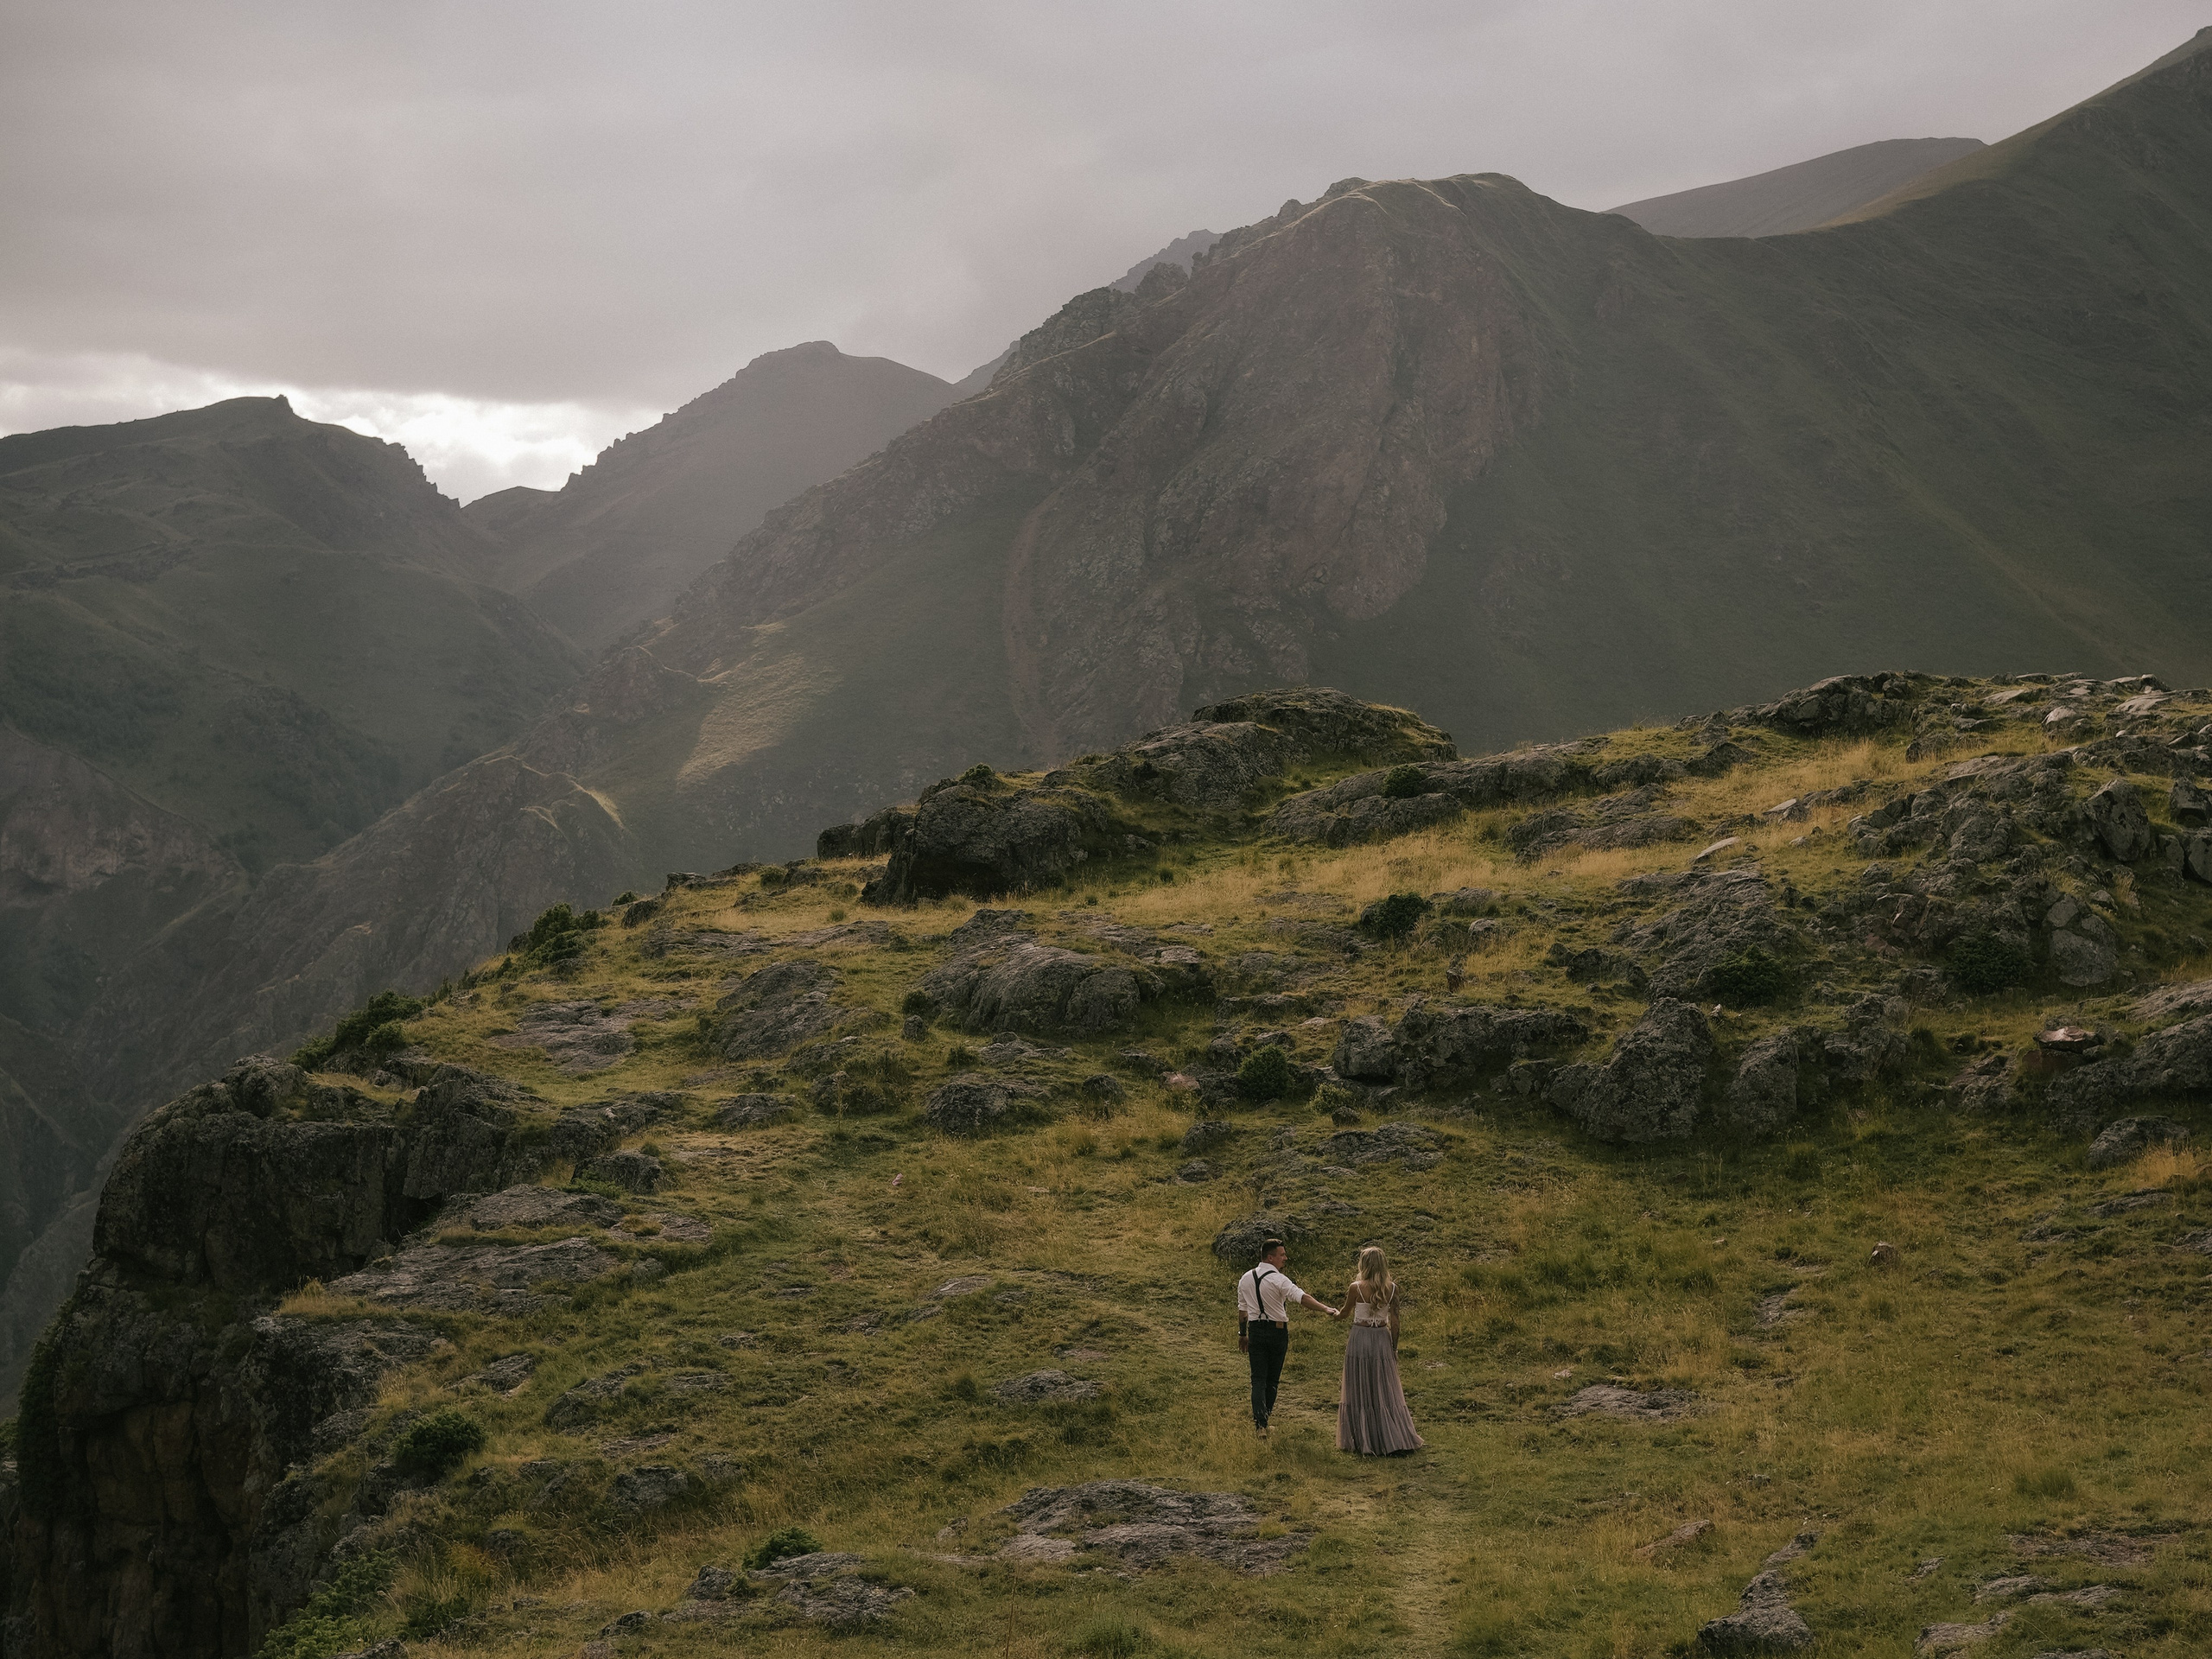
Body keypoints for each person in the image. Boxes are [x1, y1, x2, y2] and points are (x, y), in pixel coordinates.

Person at [1236, 1238, 1339, 1436]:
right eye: (1282, 1255)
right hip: (1277, 1331)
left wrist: (1243, 1334)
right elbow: (1301, 1298)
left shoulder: (1245, 1278)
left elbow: (1243, 1311)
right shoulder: (1279, 1280)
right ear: (1270, 1257)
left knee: (1257, 1379)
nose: (1285, 1258)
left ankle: (1260, 1426)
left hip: (1255, 1330)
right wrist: (1325, 1308)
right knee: (1272, 1380)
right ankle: (1265, 1420)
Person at [1332, 1244, 1425, 1456]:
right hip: (1382, 1338)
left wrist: (1333, 1313)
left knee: (1360, 1384)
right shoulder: (1392, 1288)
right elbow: (1396, 1321)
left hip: (1360, 1337)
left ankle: (1364, 1438)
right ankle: (1392, 1435)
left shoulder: (1355, 1287)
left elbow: (1345, 1313)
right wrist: (1394, 1348)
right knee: (1384, 1387)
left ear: (1364, 1265)